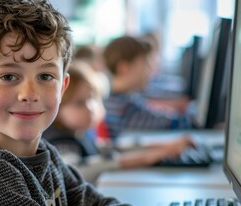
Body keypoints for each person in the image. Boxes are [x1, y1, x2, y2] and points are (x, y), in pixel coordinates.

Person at [0, 0, 186, 206]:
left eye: (45, 76)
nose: (30, 93)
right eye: (8, 76)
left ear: (62, 87)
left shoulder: (45, 156)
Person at [43, 61, 195, 183]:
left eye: (92, 98)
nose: (90, 108)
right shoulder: (61, 143)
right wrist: (146, 158)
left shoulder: (78, 135)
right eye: (79, 103)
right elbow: (77, 169)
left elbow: (110, 149)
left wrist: (165, 147)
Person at [102, 35, 191, 141]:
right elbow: (176, 123)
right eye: (145, 64)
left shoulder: (114, 98)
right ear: (124, 68)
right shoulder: (125, 108)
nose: (149, 70)